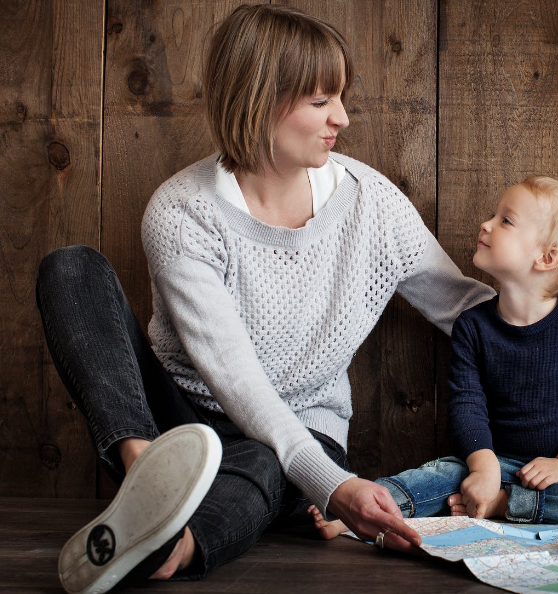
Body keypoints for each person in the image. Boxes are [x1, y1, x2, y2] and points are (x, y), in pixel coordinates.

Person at [35, 5, 494, 593]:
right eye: (321, 101)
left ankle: (170, 546)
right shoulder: (181, 213)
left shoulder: (370, 203)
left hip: (300, 433)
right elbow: (235, 378)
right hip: (176, 420)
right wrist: (330, 487)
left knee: (265, 460)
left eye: (340, 98)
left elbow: (463, 307)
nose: (343, 119)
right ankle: (146, 475)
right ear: (261, 99)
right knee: (72, 269)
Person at [311, 176, 558, 538]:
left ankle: (504, 505)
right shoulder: (474, 326)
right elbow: (467, 403)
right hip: (494, 459)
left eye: (505, 221)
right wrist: (483, 467)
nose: (487, 224)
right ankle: (360, 513)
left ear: (547, 258)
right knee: (437, 476)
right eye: (494, 215)